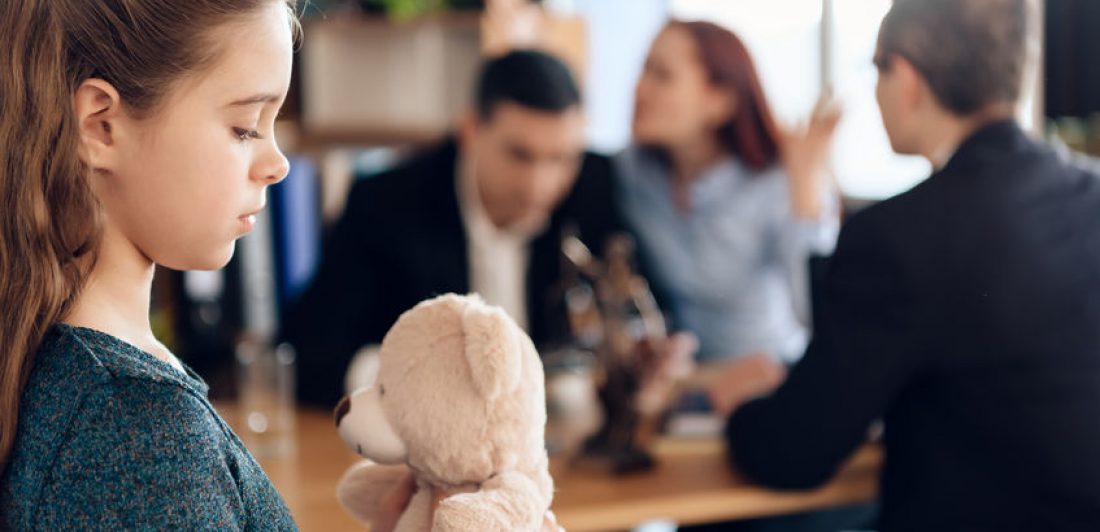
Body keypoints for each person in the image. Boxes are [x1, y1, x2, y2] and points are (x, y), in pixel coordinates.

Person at [716, 0, 1100, 529]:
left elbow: (794, 454)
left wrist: (740, 406)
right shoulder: (1090, 194)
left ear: (907, 79)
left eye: (876, 69)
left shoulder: (896, 237)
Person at [0, 0, 301, 528]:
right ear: (100, 126)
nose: (278, 165)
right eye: (245, 127)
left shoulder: (78, 376)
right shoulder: (141, 435)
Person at [284, 50, 693, 408]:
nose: (540, 185)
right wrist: (414, 378)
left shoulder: (594, 183)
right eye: (520, 155)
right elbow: (309, 353)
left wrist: (652, 357)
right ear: (470, 130)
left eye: (561, 158)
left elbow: (652, 307)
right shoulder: (386, 203)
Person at [615, 20, 841, 371]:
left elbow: (817, 313)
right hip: (681, 378)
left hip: (766, 374)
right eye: (644, 69)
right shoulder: (633, 170)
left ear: (719, 101)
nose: (640, 88)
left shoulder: (779, 184)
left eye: (662, 75)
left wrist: (806, 191)